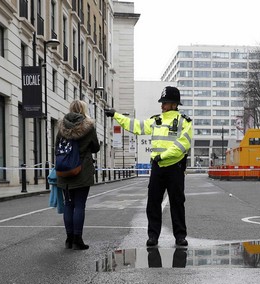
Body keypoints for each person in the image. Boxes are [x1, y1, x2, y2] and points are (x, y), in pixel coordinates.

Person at [106, 86, 193, 247]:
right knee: (153, 203)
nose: (162, 106)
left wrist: (162, 156)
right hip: (159, 168)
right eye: (162, 103)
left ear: (174, 104)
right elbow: (136, 126)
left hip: (174, 167)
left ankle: (180, 236)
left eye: (165, 103)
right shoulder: (156, 120)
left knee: (177, 203)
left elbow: (183, 144)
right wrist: (116, 115)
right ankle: (153, 236)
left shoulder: (184, 121)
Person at [56, 100, 100, 250]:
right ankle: (78, 239)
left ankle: (68, 239)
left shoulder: (62, 126)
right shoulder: (88, 126)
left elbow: (57, 146)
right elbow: (95, 147)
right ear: (83, 109)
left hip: (65, 170)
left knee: (69, 204)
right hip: (82, 170)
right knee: (79, 205)